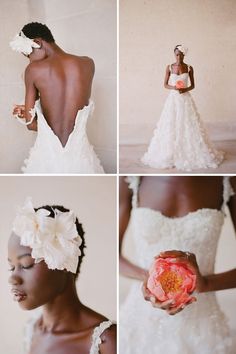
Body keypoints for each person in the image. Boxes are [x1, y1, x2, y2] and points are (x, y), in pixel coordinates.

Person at [119, 176, 236, 353]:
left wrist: (205, 284)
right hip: (140, 322)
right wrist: (150, 279)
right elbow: (116, 257)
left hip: (202, 327)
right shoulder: (130, 177)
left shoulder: (228, 178)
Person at [8, 198, 116, 353]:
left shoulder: (106, 340)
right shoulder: (31, 331)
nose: (12, 278)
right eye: (11, 268)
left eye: (26, 265)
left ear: (64, 261)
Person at [10, 22, 104, 174]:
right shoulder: (88, 63)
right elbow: (69, 108)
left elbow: (31, 125)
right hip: (81, 157)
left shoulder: (33, 70)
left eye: (28, 54)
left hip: (48, 157)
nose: (29, 60)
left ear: (38, 43)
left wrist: (26, 114)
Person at [141, 45, 224, 171]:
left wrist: (185, 88)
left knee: (188, 124)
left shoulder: (189, 68)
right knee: (171, 123)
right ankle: (170, 153)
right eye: (176, 54)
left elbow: (193, 85)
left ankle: (189, 151)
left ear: (184, 55)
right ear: (174, 54)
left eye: (180, 54)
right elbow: (165, 84)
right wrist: (174, 87)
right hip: (173, 99)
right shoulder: (169, 67)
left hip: (185, 98)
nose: (178, 56)